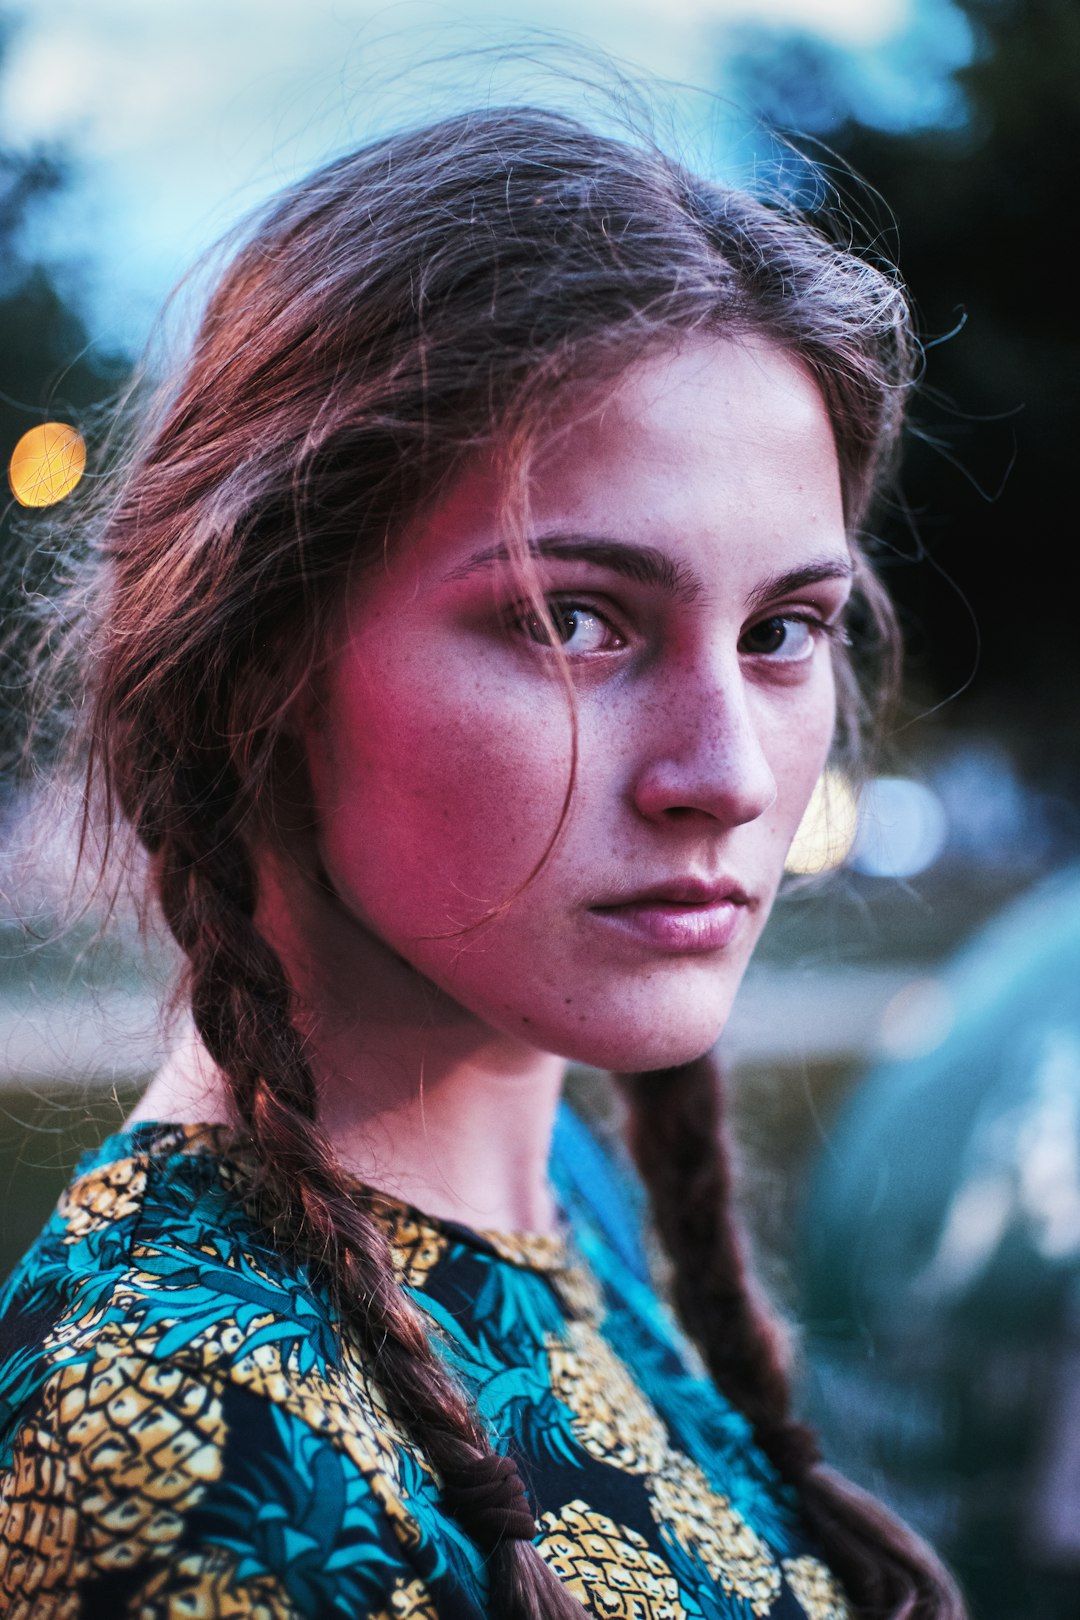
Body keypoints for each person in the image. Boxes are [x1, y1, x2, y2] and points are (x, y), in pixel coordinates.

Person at [0, 105, 965, 1618]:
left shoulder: (560, 1190)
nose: (721, 775)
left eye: (782, 632)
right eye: (574, 620)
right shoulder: (191, 1449)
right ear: (258, 659)